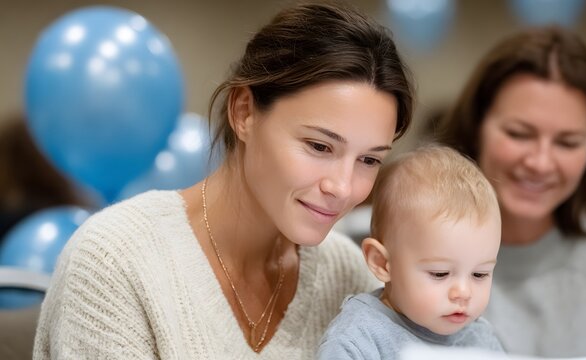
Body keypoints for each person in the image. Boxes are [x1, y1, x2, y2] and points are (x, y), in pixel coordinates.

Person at [33, 2, 414, 358]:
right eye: (319, 146)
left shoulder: (349, 276)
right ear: (244, 112)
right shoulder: (116, 260)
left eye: (368, 159)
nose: (344, 187)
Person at [438, 26, 586, 358]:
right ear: (478, 125)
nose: (540, 162)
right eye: (519, 134)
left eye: (567, 142)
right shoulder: (384, 242)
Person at [317, 144, 504, 359]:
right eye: (440, 273)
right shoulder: (358, 339)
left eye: (479, 274)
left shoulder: (481, 339)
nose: (464, 292)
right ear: (382, 263)